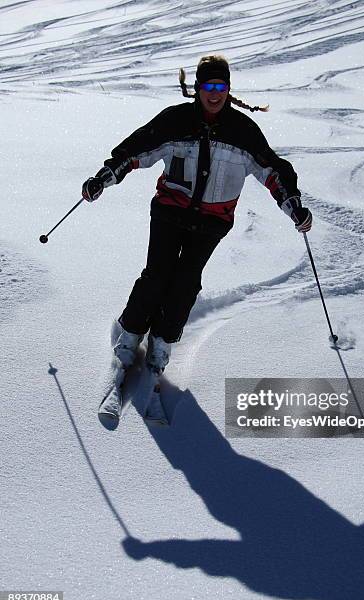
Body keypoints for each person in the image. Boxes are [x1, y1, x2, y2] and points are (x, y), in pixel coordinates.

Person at [82, 54, 312, 379]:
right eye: (208, 85)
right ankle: (129, 333)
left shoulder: (243, 131)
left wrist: (293, 207)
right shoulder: (174, 121)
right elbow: (136, 151)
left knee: (186, 283)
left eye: (220, 86)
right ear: (197, 87)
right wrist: (103, 178)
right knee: (157, 275)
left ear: (229, 89)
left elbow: (273, 171)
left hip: (211, 223)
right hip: (169, 211)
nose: (214, 93)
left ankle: (162, 342)